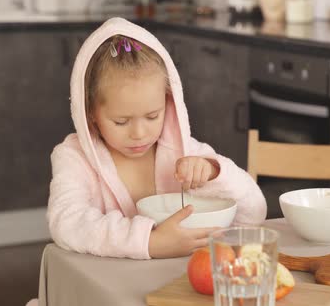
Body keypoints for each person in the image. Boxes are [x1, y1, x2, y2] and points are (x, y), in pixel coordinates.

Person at [47, 17, 267, 260]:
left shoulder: (187, 152)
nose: (140, 134)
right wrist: (149, 242)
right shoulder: (74, 157)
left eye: (153, 116)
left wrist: (214, 174)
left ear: (169, 103)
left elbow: (254, 211)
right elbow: (66, 222)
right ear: (91, 113)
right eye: (121, 121)